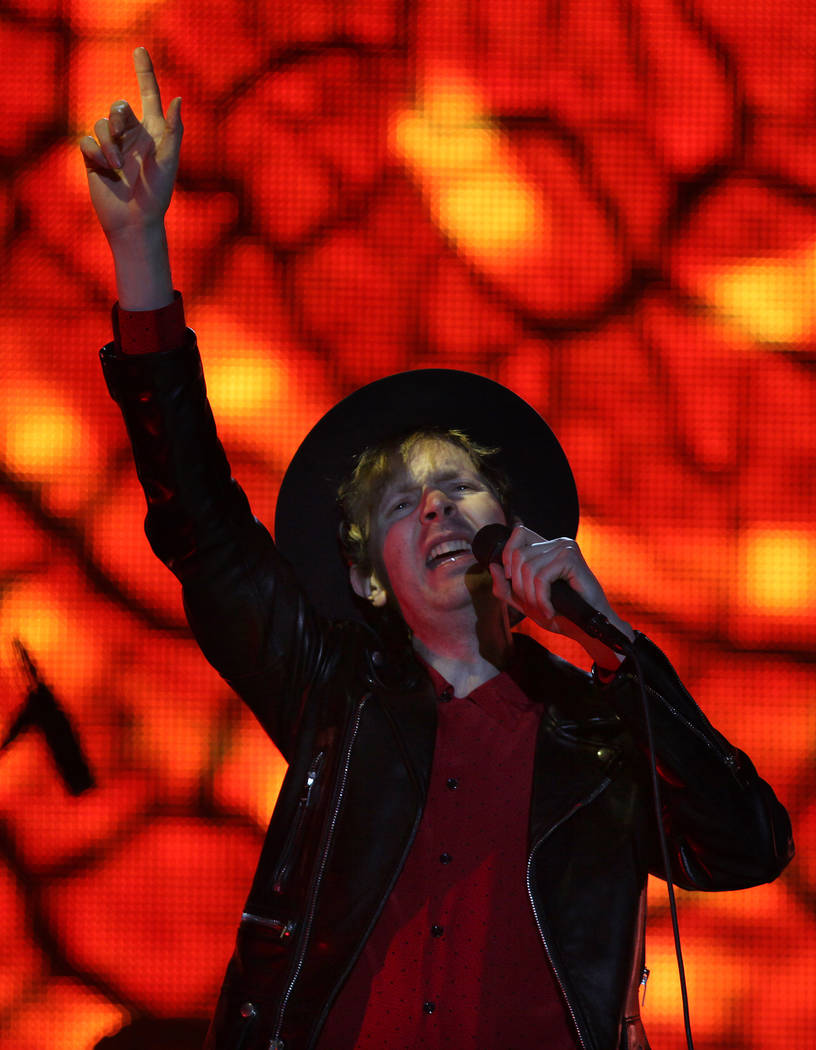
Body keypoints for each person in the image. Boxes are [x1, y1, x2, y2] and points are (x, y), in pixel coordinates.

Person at [81, 49, 793, 1050]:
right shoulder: (335, 698)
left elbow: (748, 843)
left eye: (459, 485)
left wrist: (617, 643)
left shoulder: (598, 731)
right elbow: (200, 526)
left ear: (514, 531)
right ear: (370, 573)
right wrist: (141, 254)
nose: (438, 510)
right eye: (403, 502)